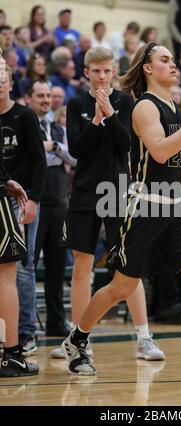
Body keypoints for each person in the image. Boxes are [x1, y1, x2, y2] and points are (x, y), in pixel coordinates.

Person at [62, 43, 181, 379]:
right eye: (165, 60)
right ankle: (77, 340)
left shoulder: (174, 106)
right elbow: (162, 153)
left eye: (173, 59)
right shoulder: (144, 108)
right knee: (121, 287)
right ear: (148, 68)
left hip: (177, 205)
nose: (173, 64)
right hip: (147, 205)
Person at [51, 47, 164, 361]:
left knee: (128, 267)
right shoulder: (76, 104)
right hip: (85, 191)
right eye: (96, 71)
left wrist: (111, 116)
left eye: (106, 70)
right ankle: (78, 336)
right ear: (86, 72)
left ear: (114, 71)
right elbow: (77, 149)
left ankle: (144, 337)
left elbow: (127, 143)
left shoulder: (126, 102)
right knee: (82, 266)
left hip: (118, 189)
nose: (101, 76)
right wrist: (97, 120)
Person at [0, 63, 47, 357]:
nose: (1, 80)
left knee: (22, 270)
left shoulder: (24, 116)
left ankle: (25, 333)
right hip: (2, 199)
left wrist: (33, 200)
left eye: (4, 75)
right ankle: (8, 338)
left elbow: (40, 161)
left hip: (21, 201)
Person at [25, 80, 76, 337]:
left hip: (58, 202)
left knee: (57, 266)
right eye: (40, 95)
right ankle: (26, 325)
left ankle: (57, 323)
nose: (45, 100)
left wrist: (54, 147)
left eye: (48, 95)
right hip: (35, 202)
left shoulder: (58, 128)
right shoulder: (26, 124)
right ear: (29, 98)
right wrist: (53, 151)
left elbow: (72, 157)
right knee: (29, 266)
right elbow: (34, 156)